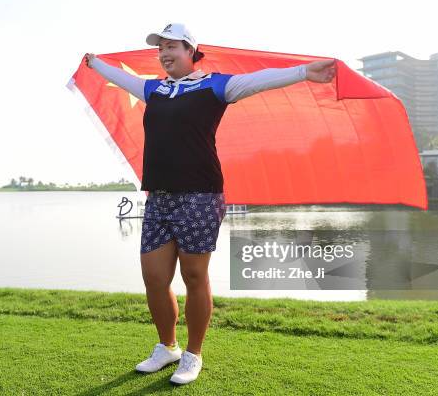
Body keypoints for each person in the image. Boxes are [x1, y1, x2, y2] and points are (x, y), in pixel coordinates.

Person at [84, 22, 335, 385]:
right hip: (159, 197)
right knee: (154, 278)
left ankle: (193, 353)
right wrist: (94, 63)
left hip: (201, 196)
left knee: (194, 275)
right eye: (160, 49)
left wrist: (303, 72)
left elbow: (259, 80)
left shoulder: (217, 85)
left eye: (172, 47)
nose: (164, 54)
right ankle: (167, 346)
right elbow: (120, 77)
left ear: (191, 51)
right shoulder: (154, 89)